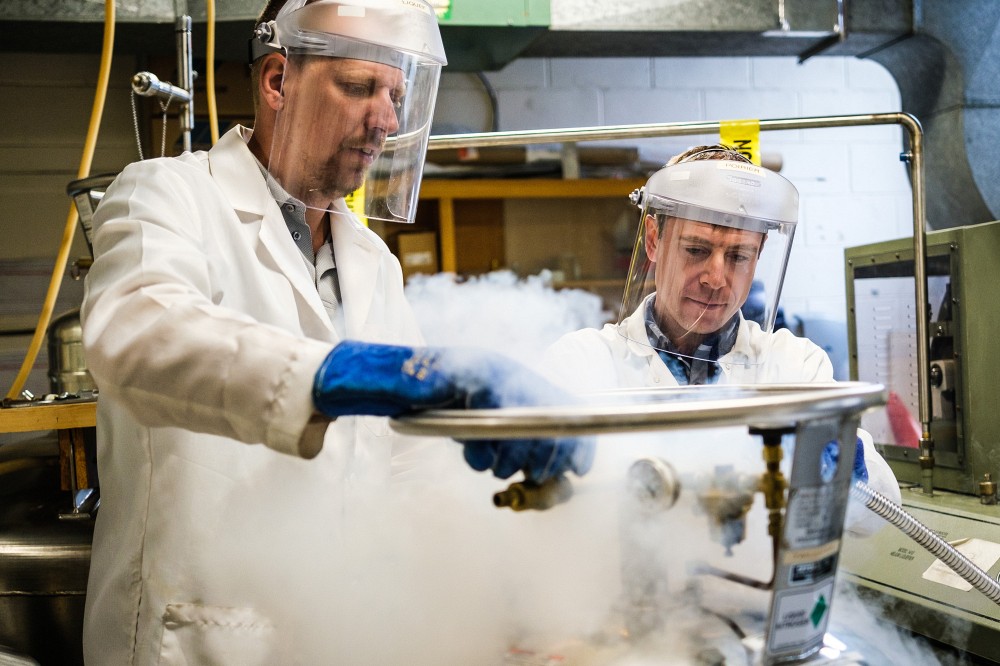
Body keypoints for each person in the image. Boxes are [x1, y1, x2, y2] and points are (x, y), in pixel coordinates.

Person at [80, 1, 590, 662]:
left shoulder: (373, 260)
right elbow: (136, 338)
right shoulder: (166, 196)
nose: (385, 119)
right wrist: (340, 374)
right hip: (197, 640)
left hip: (339, 634)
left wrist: (497, 563)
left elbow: (404, 463)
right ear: (276, 81)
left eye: (397, 95)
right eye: (358, 87)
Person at [542, 144, 900, 536]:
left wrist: (846, 459)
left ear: (760, 253)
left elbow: (881, 515)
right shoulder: (584, 362)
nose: (715, 278)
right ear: (653, 240)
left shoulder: (793, 365)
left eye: (739, 257)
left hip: (748, 595)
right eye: (696, 250)